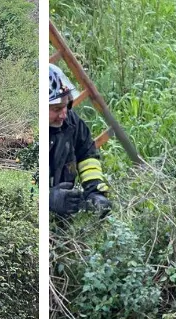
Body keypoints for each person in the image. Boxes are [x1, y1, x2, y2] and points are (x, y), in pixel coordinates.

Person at [48, 63, 111, 219]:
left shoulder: (71, 122)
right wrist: (46, 199)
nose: (63, 115)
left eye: (66, 105)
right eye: (56, 109)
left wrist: (95, 191)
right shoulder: (26, 137)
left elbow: (87, 155)